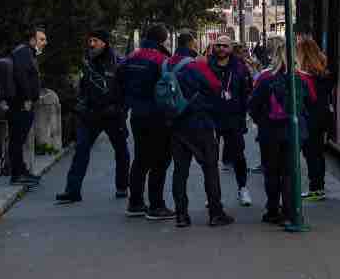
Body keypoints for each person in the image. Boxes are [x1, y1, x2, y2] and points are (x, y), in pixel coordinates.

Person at [57, 30, 130, 204]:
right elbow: (84, 88)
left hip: (113, 116)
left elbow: (126, 90)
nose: (91, 44)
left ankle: (122, 186)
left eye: (95, 40)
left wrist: (120, 109)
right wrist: (82, 105)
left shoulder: (118, 63)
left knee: (121, 151)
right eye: (90, 40)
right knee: (81, 150)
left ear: (104, 42)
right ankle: (72, 191)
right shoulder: (88, 62)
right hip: (91, 115)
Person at [168, 31, 233, 228]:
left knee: (180, 171)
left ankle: (181, 215)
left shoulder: (167, 64)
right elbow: (215, 87)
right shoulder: (197, 65)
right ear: (192, 44)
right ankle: (215, 213)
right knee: (210, 168)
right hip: (200, 122)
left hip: (176, 123)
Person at [113, 23, 174, 221]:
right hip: (158, 115)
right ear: (163, 40)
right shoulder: (162, 60)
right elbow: (169, 87)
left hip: (137, 115)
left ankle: (135, 203)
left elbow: (117, 83)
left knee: (140, 159)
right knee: (160, 161)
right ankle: (156, 205)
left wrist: (126, 104)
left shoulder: (131, 57)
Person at [249, 44, 316, 224]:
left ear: (275, 56)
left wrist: (261, 122)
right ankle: (290, 211)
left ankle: (272, 210)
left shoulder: (265, 78)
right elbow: (311, 103)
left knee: (271, 172)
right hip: (293, 132)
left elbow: (253, 105)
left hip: (270, 132)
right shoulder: (302, 78)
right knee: (289, 172)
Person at [208, 35, 253, 208]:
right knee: (210, 158)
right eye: (218, 45)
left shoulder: (240, 68)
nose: (221, 48)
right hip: (212, 117)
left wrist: (244, 114)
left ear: (230, 49)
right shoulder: (207, 65)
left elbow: (246, 91)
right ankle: (213, 195)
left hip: (234, 118)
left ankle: (242, 188)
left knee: (238, 156)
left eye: (225, 46)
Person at [7, 26, 46, 186]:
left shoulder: (27, 52)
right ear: (32, 39)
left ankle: (22, 171)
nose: (45, 42)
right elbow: (21, 76)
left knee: (20, 139)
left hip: (23, 103)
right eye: (41, 39)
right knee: (17, 139)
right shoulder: (23, 52)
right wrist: (27, 99)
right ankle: (17, 175)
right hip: (21, 104)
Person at [299, 37, 334, 202]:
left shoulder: (306, 75)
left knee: (311, 154)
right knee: (318, 153)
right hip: (323, 116)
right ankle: (319, 187)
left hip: (310, 117)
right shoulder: (324, 72)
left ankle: (316, 188)